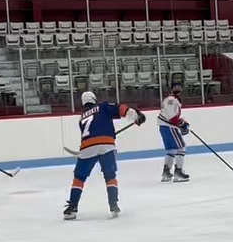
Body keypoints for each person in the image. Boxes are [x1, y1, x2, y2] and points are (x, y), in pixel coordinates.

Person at [63, 91, 145, 220]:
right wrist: (136, 116)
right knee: (110, 176)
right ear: (94, 99)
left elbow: (91, 131)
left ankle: (72, 207)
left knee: (79, 178)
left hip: (87, 147)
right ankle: (113, 205)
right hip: (106, 145)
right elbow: (121, 109)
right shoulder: (103, 106)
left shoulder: (82, 117)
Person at [158, 81, 190, 183]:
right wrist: (182, 124)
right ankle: (178, 173)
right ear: (172, 89)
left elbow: (173, 117)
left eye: (179, 86)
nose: (178, 88)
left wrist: (182, 123)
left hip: (165, 126)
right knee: (181, 147)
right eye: (175, 87)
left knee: (171, 150)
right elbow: (172, 117)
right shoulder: (171, 100)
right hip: (169, 126)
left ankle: (166, 173)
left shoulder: (173, 99)